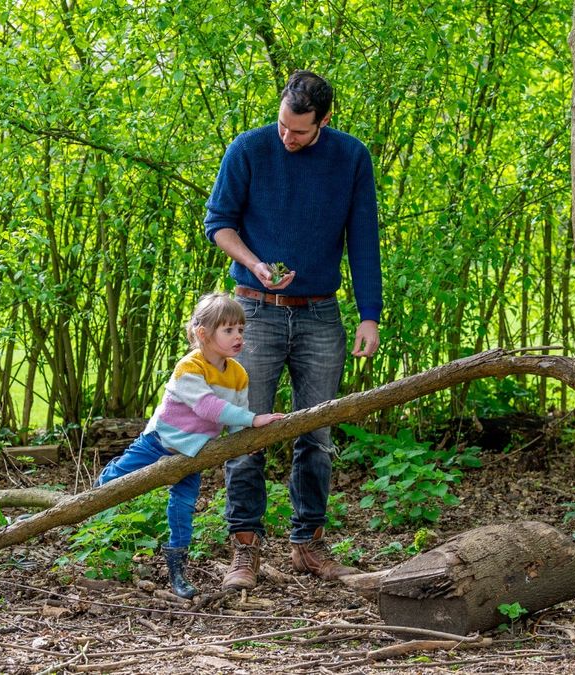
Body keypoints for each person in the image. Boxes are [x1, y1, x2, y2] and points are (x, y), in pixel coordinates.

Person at [203, 70, 382, 591]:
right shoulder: (249, 149)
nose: (288, 137)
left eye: (300, 131)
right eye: (283, 125)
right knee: (245, 430)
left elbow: (363, 238)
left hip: (320, 315)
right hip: (251, 313)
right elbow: (219, 223)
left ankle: (307, 544)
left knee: (316, 434)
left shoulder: (351, 157)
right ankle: (245, 548)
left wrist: (368, 313)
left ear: (325, 121)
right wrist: (255, 264)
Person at [95, 293, 284, 599]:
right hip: (160, 442)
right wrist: (254, 419)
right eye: (228, 330)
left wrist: (244, 441)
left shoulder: (238, 374)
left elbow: (235, 421)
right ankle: (96, 488)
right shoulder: (189, 367)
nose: (238, 336)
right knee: (117, 481)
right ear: (203, 334)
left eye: (240, 330)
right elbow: (209, 408)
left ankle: (177, 569)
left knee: (183, 508)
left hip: (194, 453)